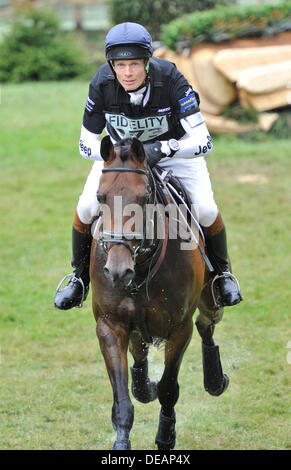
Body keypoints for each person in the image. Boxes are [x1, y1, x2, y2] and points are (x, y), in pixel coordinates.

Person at [54, 22, 242, 310]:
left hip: (174, 156)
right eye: (120, 65)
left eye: (134, 65)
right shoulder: (102, 83)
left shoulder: (170, 78)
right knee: (86, 209)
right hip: (122, 161)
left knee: (205, 209)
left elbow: (204, 140)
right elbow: (85, 144)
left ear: (147, 62)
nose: (127, 73)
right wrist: (117, 155)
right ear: (111, 65)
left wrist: (167, 147)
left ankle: (222, 276)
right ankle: (79, 279)